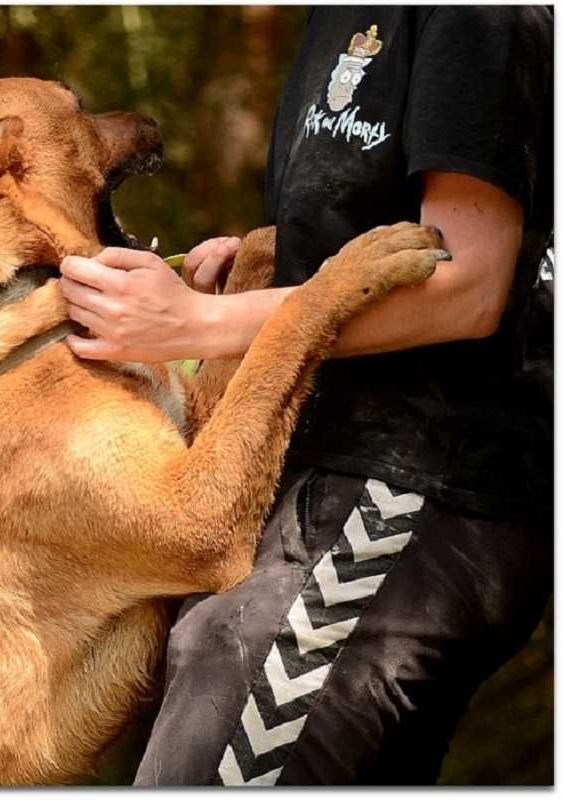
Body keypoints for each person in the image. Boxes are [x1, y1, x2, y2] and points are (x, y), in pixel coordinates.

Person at [58, 7, 553, 785]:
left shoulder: (471, 16)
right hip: (321, 485)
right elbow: (364, 230)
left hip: (408, 494)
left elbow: (468, 286)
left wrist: (200, 321)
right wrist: (264, 267)